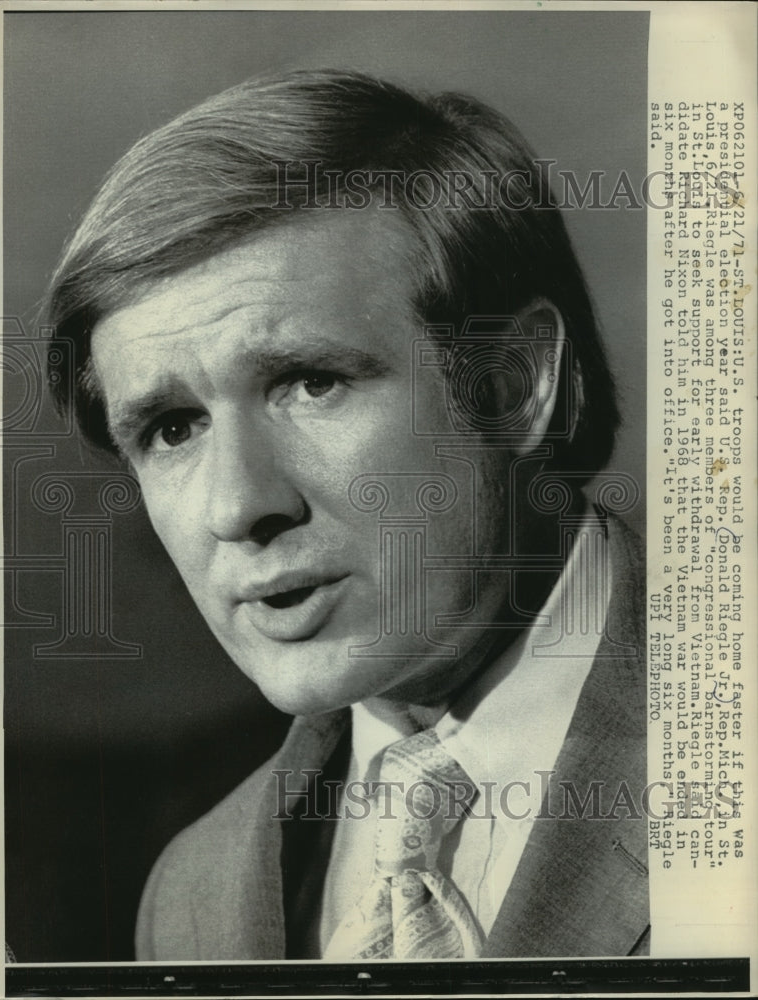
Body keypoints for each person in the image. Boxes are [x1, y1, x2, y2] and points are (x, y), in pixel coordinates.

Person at [44, 69, 648, 960]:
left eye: (310, 382)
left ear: (515, 385)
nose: (239, 506)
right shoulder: (191, 896)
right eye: (172, 428)